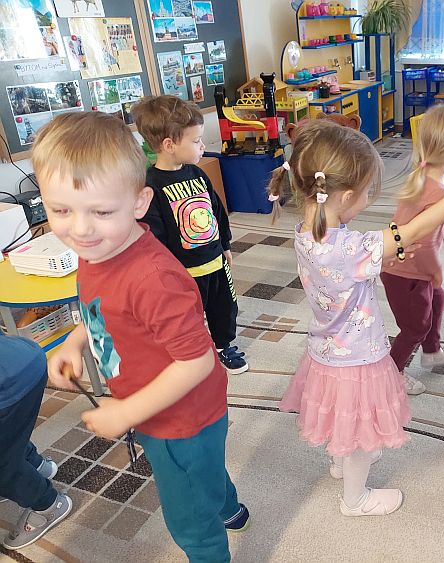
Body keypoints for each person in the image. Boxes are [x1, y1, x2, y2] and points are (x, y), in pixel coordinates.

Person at [35, 111, 249, 563]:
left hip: (180, 418)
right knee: (201, 476)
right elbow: (101, 308)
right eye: (61, 210)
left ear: (139, 202)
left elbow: (197, 361)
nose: (79, 228)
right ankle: (228, 506)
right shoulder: (98, 250)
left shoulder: (153, 279)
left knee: (190, 517)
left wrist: (128, 412)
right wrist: (74, 341)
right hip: (145, 401)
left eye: (101, 211)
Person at [272, 120, 444, 517]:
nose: (369, 199)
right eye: (367, 192)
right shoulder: (351, 246)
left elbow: (354, 263)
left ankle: (339, 461)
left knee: (341, 414)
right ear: (346, 195)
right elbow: (413, 230)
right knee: (362, 434)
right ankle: (355, 499)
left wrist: (384, 253)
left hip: (326, 350)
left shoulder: (307, 232)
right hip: (357, 356)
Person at [132, 95, 247, 375]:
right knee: (187, 316)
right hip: (184, 273)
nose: (202, 145)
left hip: (215, 260)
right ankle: (188, 353)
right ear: (169, 145)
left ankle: (223, 346)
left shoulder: (197, 173)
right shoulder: (150, 186)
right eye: (196, 141)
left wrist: (226, 244)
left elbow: (216, 210)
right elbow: (153, 236)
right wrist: (166, 274)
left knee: (225, 308)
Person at [381, 104, 444, 395]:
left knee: (437, 298)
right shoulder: (439, 194)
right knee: (414, 327)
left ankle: (432, 351)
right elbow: (424, 247)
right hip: (406, 272)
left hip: (405, 268)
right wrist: (435, 270)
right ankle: (392, 372)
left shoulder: (422, 178)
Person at [0, 334, 72, 550]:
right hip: (24, 357)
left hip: (8, 385)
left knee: (3, 464)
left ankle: (48, 505)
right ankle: (38, 465)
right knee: (9, 434)